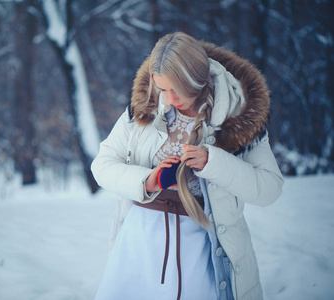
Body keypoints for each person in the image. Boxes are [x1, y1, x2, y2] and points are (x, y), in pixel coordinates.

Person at [91, 32, 284, 300]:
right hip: (139, 245)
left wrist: (213, 162)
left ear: (195, 78)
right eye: (162, 88)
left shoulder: (239, 112)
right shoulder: (143, 106)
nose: (168, 98)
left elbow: (269, 188)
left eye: (175, 89)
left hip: (202, 247)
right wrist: (147, 181)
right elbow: (101, 165)